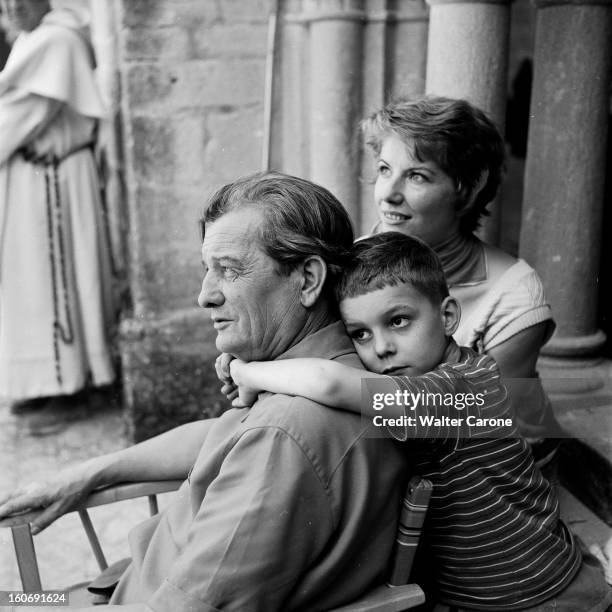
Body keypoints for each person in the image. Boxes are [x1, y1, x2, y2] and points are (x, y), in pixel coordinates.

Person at [0, 172, 409, 611]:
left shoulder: (284, 434)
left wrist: (33, 606)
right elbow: (227, 436)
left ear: (308, 279)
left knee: (15, 602)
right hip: (126, 585)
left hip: (129, 603)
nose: (204, 296)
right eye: (207, 271)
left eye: (229, 271)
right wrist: (89, 474)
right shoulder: (336, 378)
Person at [223, 232, 612, 612]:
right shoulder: (441, 372)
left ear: (447, 316)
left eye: (398, 321)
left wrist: (247, 373)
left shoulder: (459, 392)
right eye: (360, 334)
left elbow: (329, 381)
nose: (382, 348)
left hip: (534, 593)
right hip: (486, 582)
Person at [360, 96, 562, 470]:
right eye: (385, 169)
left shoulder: (514, 296)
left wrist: (330, 385)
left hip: (488, 479)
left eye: (417, 176)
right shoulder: (359, 258)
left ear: (468, 188)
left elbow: (478, 427)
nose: (388, 193)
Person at [0, 0, 115, 419]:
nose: (10, 7)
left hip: (55, 182)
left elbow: (18, 116)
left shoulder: (57, 40)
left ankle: (72, 386)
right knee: (30, 285)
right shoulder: (31, 39)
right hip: (34, 179)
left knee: (57, 281)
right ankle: (46, 383)